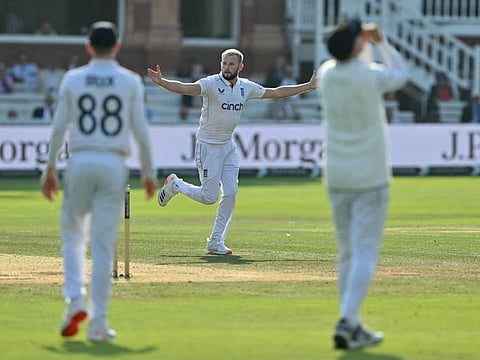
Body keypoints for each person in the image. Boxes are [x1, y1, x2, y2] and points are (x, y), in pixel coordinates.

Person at [40, 21, 157, 342]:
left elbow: (59, 127)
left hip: (80, 160)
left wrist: (49, 167)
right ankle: (98, 324)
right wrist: (149, 173)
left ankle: (75, 300)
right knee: (104, 247)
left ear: (89, 47)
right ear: (116, 47)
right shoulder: (130, 81)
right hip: (113, 164)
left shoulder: (74, 78)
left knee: (73, 239)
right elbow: (141, 131)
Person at [147, 48, 316, 255]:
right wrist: (163, 82)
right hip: (208, 147)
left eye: (231, 64)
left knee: (231, 193)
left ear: (240, 67)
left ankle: (215, 242)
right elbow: (186, 88)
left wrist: (308, 86)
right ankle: (176, 185)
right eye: (224, 63)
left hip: (228, 146)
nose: (226, 67)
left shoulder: (246, 87)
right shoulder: (211, 84)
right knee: (209, 198)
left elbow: (277, 92)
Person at [317, 19, 408, 350]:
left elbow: (352, 60)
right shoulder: (369, 76)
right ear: (357, 46)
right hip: (369, 176)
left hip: (338, 176)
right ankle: (346, 319)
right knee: (364, 252)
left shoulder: (327, 72)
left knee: (348, 253)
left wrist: (360, 40)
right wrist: (380, 41)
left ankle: (352, 323)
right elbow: (400, 73)